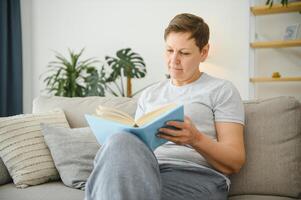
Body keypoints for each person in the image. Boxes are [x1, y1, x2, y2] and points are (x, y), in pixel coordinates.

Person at [85, 13, 245, 200]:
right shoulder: (149, 94)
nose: (173, 60)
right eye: (170, 50)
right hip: (147, 171)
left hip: (197, 176)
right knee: (120, 141)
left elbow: (234, 161)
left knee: (113, 190)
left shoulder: (222, 90)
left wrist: (196, 138)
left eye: (184, 53)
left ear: (204, 52)